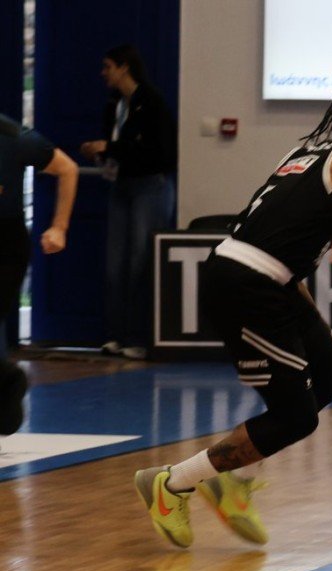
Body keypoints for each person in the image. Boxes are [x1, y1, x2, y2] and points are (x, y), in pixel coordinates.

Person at [133, 87, 332, 549]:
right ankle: (172, 482)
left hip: (258, 277)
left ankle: (234, 479)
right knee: (296, 418)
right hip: (248, 285)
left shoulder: (303, 157)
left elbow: (282, 268)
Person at [80, 44, 177, 360]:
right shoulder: (114, 104)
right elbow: (119, 145)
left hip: (150, 187)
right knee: (115, 264)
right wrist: (101, 152)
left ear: (124, 67)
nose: (103, 73)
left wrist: (110, 148)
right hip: (122, 184)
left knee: (139, 262)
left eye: (108, 66)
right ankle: (115, 335)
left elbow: (160, 153)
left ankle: (138, 337)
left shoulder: (152, 103)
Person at [0, 113, 78, 437]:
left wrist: (59, 227)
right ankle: (5, 383)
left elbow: (67, 168)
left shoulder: (13, 137)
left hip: (5, 243)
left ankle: (6, 383)